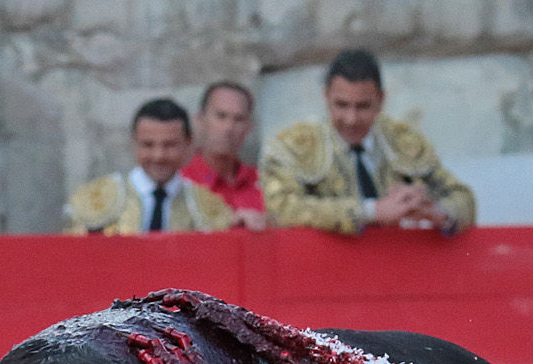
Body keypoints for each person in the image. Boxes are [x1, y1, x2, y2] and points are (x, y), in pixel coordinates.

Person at [260, 49, 475, 235]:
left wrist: (435, 210)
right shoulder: (294, 146)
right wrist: (371, 211)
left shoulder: (403, 141)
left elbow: (464, 199)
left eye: (363, 106)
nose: (351, 119)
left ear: (381, 100)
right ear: (326, 96)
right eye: (341, 105)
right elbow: (281, 209)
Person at [65, 98, 234, 234]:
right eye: (147, 145)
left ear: (188, 143)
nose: (158, 156)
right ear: (134, 142)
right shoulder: (96, 199)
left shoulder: (209, 208)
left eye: (169, 145)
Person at [180, 81, 266, 229]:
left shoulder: (265, 183)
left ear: (249, 127)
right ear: (200, 120)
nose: (228, 128)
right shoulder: (182, 182)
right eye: (221, 116)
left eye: (238, 119)